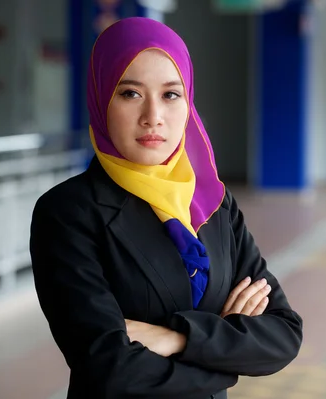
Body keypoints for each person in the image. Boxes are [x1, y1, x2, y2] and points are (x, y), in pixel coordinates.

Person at [29, 17, 303, 399]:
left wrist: (175, 338)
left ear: (188, 102)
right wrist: (226, 357)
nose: (153, 116)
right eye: (130, 93)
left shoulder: (213, 203)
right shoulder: (67, 213)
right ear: (100, 97)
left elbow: (283, 334)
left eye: (171, 94)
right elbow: (108, 365)